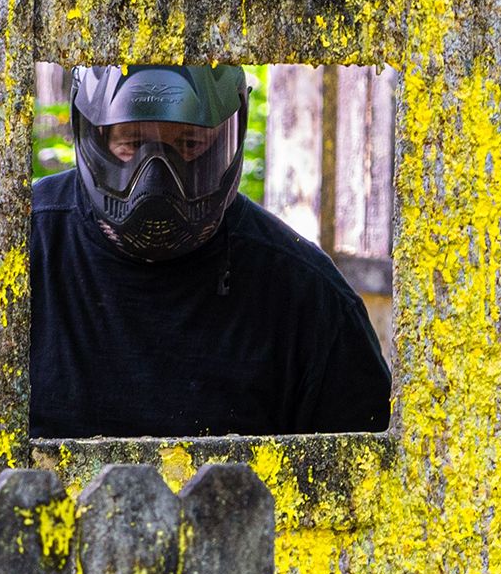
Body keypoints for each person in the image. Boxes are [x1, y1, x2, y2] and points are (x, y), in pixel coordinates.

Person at [29, 63, 392, 439]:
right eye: (131, 144)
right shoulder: (22, 255)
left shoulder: (308, 298)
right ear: (95, 137)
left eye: (189, 145)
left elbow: (371, 482)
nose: (155, 180)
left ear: (223, 140)